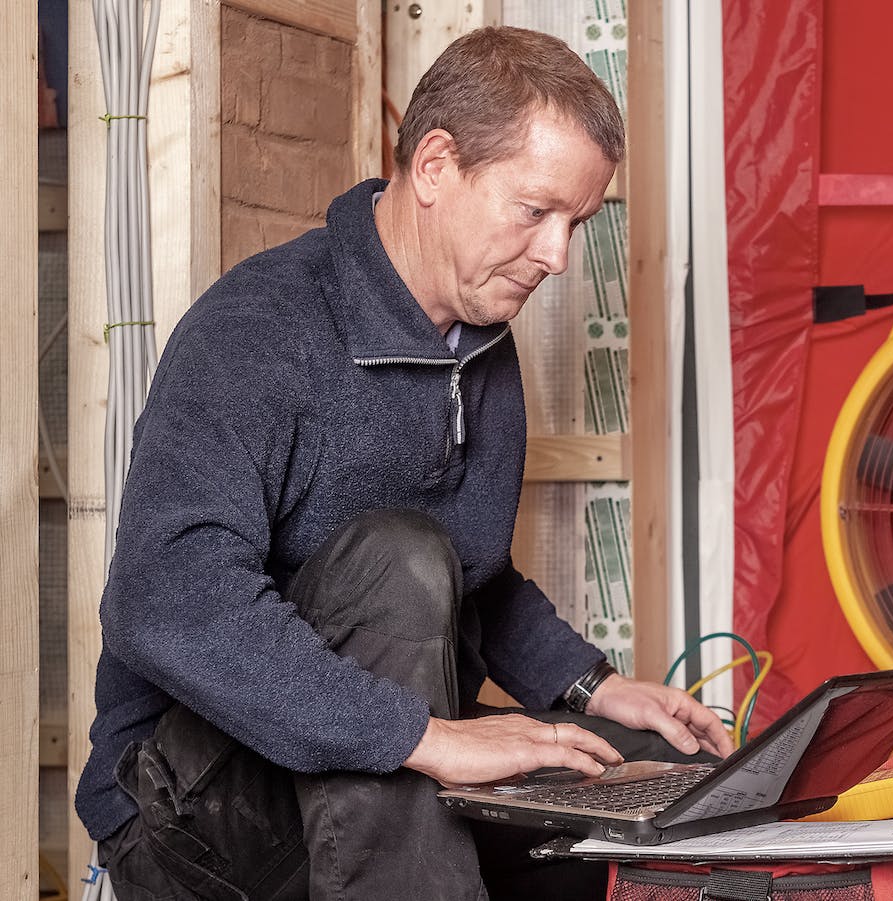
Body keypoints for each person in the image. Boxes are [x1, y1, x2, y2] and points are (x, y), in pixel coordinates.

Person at [74, 26, 732, 901]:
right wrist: (431, 739)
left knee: (659, 777)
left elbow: (475, 576)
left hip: (380, 747)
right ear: (434, 167)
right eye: (535, 212)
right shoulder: (258, 329)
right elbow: (168, 597)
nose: (557, 257)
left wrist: (594, 686)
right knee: (399, 554)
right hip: (186, 815)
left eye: (577, 223)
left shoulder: (480, 341)